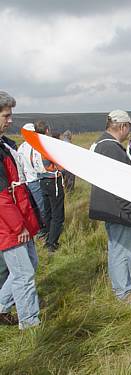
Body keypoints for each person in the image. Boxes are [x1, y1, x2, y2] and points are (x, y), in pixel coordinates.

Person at [89, 110, 131, 303]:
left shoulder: (100, 144)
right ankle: (123, 292)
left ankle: (121, 288)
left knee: (117, 248)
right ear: (122, 126)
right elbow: (120, 185)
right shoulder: (111, 148)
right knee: (122, 251)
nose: (128, 131)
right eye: (128, 127)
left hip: (112, 208)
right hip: (119, 210)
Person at [0, 91, 41, 329]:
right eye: (6, 115)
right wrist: (19, 227)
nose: (10, 120)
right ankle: (30, 324)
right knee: (24, 274)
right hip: (9, 225)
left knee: (29, 267)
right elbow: (2, 197)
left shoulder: (4, 145)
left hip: (18, 219)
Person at [37, 120, 65, 252]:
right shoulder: (46, 144)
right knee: (57, 213)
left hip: (41, 180)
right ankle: (51, 244)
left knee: (47, 211)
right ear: (47, 130)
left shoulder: (31, 144)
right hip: (52, 180)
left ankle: (48, 237)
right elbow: (56, 165)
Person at [17, 123, 48, 238]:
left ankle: (45, 228)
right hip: (32, 181)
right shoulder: (28, 146)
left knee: (39, 206)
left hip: (32, 180)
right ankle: (43, 228)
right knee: (39, 207)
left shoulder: (25, 146)